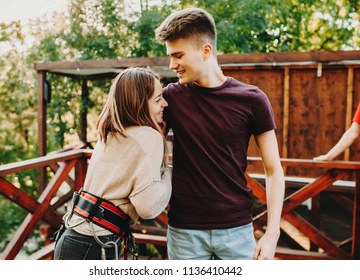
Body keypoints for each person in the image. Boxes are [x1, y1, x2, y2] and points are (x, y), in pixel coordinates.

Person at [155, 7, 285, 260]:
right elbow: (143, 142)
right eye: (170, 56)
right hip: (184, 233)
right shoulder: (170, 97)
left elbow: (273, 170)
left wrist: (272, 233)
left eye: (178, 55)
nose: (172, 65)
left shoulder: (253, 100)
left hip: (237, 231)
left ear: (206, 51)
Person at [53, 67, 172, 260]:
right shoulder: (149, 136)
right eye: (158, 100)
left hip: (72, 235)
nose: (165, 104)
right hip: (95, 244)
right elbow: (149, 208)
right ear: (139, 103)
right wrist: (169, 173)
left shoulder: (111, 132)